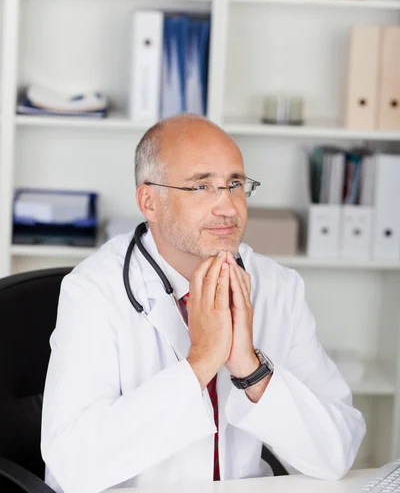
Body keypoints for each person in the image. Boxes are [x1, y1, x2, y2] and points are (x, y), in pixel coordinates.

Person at [41, 114, 366, 493]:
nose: (228, 207)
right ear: (150, 201)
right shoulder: (94, 291)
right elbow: (73, 466)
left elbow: (337, 454)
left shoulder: (276, 286)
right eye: (201, 187)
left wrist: (251, 370)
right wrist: (202, 361)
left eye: (234, 184)